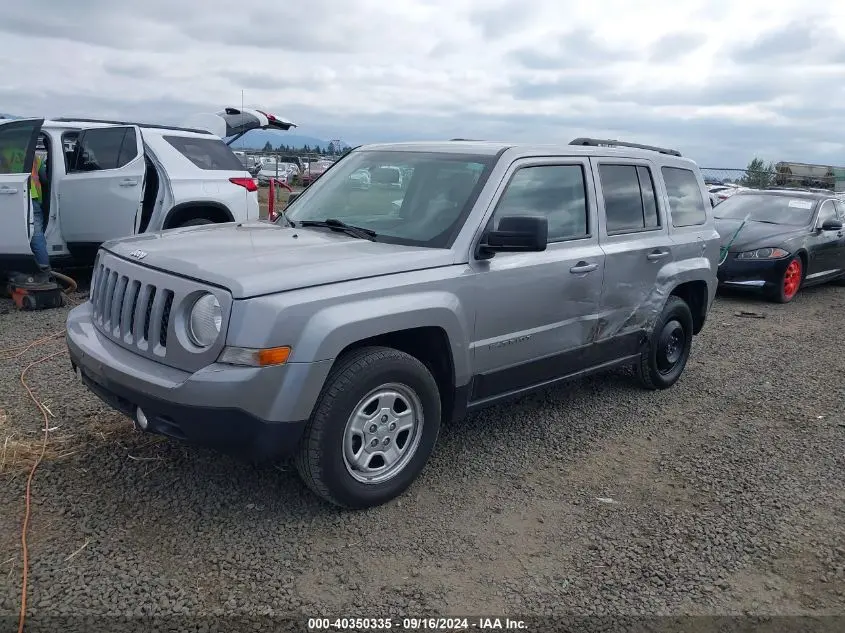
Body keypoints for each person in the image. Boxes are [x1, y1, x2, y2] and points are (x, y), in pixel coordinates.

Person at [0, 146, 50, 274]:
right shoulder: (33, 156)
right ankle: (44, 270)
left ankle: (15, 271)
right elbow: (44, 178)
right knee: (37, 236)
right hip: (33, 198)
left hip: (11, 197)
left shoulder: (4, 152)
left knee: (13, 234)